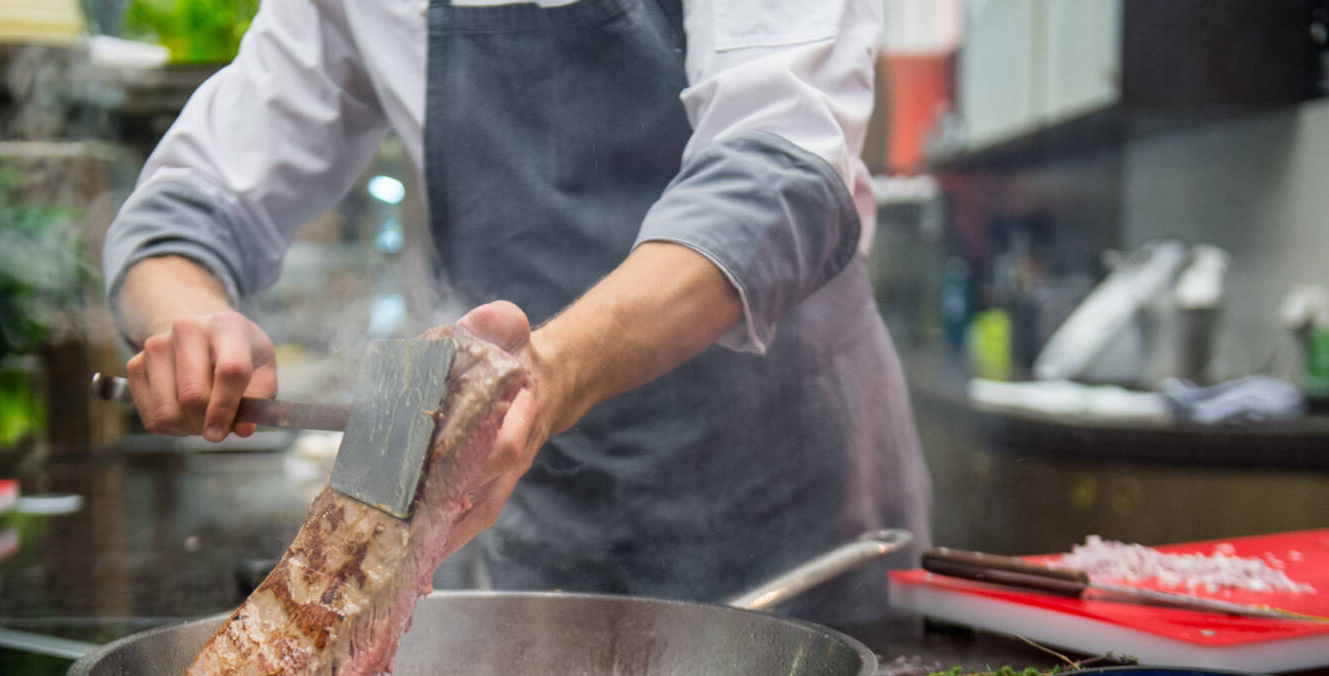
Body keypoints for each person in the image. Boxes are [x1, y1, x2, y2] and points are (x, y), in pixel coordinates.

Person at [105, 0, 932, 625]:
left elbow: (780, 172)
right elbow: (191, 200)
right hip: (539, 528)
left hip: (785, 514)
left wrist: (548, 373)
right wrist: (188, 316)